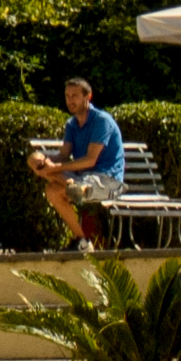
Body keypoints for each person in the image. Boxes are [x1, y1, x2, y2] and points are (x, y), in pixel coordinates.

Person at [33, 78, 128, 251]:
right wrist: (43, 161)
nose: (70, 100)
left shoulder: (102, 121)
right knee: (50, 188)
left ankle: (73, 186)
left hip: (108, 182)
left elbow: (90, 160)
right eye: (67, 96)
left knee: (55, 186)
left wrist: (56, 169)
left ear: (88, 96)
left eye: (75, 96)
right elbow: (63, 155)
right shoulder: (71, 124)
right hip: (83, 179)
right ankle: (82, 240)